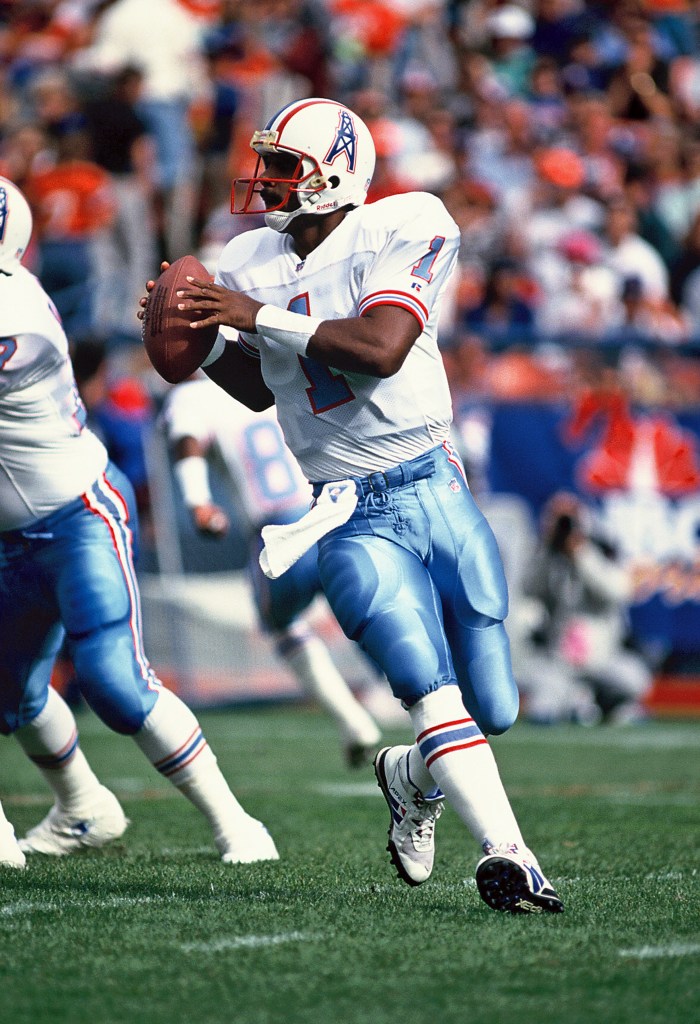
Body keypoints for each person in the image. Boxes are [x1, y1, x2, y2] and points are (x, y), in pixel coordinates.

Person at [140, 97, 563, 915]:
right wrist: (200, 341)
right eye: (265, 164)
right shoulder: (248, 258)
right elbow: (261, 392)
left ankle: (410, 775)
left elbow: (378, 350)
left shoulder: (405, 223)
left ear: (336, 176)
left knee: (495, 709)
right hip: (348, 510)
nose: (265, 181)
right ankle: (511, 856)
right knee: (425, 686)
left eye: (284, 167)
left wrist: (249, 317)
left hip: (437, 484)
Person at [0, 177, 277, 865]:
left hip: (76, 516)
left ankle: (236, 822)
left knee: (115, 682)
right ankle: (83, 808)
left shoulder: (15, 308)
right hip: (9, 535)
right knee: (13, 692)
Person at [162, 374, 383, 767]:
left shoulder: (194, 395)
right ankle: (421, 697)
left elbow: (187, 442)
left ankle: (355, 722)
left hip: (280, 533)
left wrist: (197, 502)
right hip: (332, 509)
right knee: (366, 606)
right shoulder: (271, 372)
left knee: (281, 623)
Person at [517, 492, 652, 725]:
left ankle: (595, 702)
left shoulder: (600, 552)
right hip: (561, 663)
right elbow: (529, 588)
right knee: (543, 705)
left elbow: (616, 590)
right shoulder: (550, 560)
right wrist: (547, 547)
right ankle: (586, 704)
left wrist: (579, 551)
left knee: (635, 679)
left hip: (602, 660)